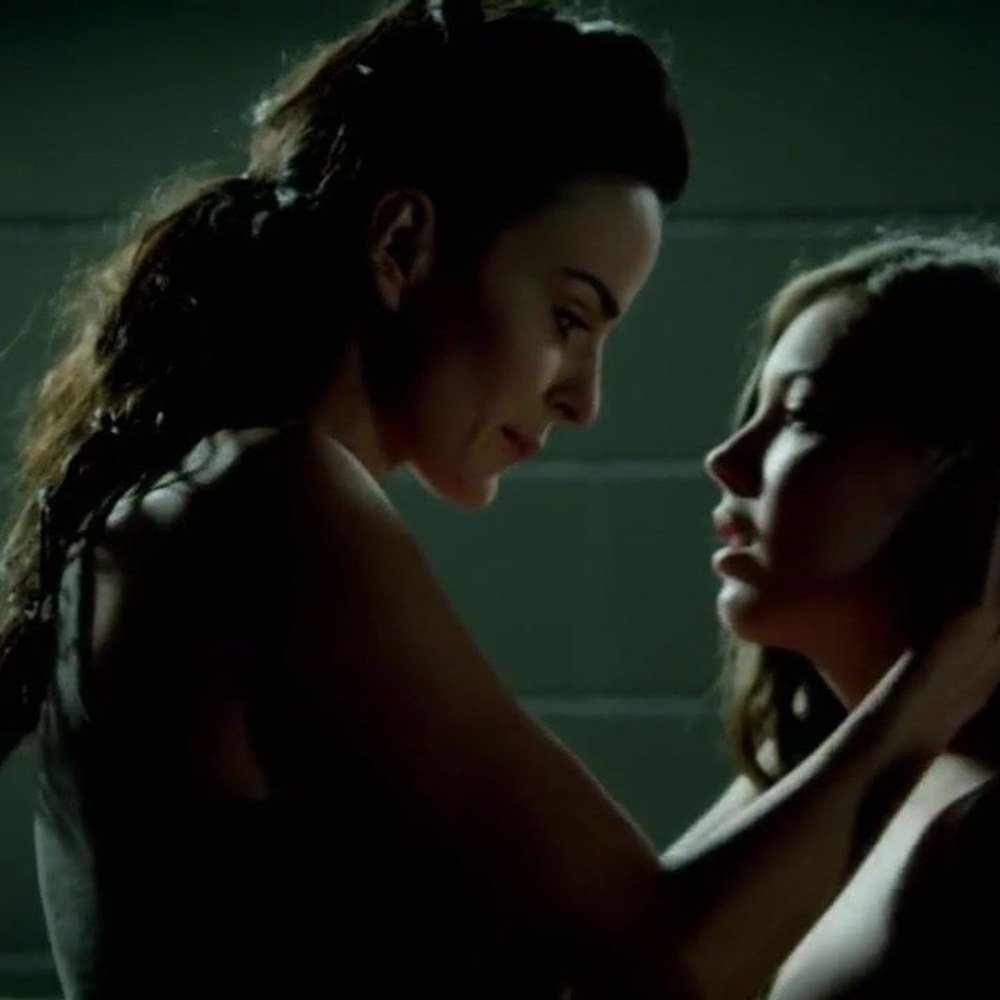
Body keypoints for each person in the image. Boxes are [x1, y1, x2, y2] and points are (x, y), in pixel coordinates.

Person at [1, 0, 999, 992]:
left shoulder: (210, 488)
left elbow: (617, 932)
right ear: (401, 245)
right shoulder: (273, 500)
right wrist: (945, 673)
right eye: (570, 317)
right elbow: (658, 967)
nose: (583, 398)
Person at [683, 231, 1000, 997]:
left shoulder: (986, 823)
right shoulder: (802, 754)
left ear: (969, 474)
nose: (726, 460)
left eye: (801, 414)